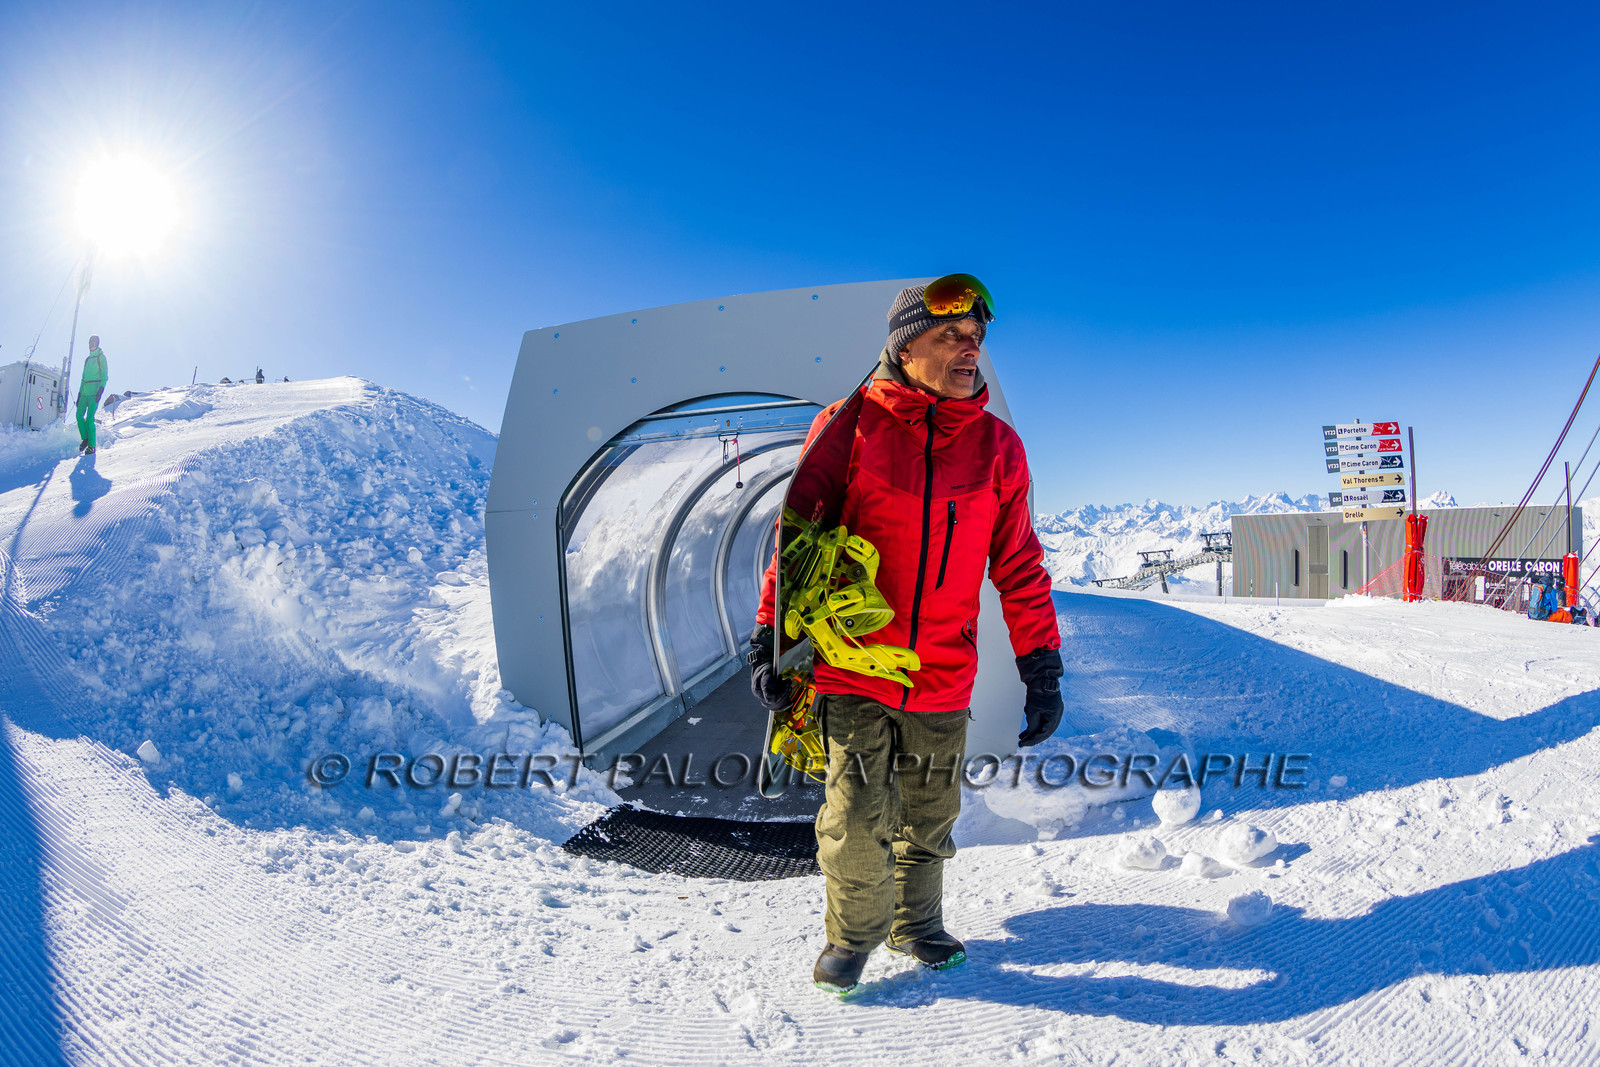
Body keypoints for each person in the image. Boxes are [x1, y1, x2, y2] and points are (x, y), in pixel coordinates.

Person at [748, 275, 1063, 994]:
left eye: (976, 339)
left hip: (943, 673)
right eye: (951, 336)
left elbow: (1018, 563)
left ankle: (914, 923)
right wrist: (770, 634)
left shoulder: (997, 449)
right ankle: (851, 936)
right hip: (853, 666)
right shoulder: (849, 423)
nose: (969, 351)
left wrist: (1042, 665)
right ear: (905, 344)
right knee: (856, 814)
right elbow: (797, 535)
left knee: (929, 813)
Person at [76, 335, 108, 454]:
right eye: (90, 342)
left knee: (89, 419)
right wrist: (79, 394)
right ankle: (85, 439)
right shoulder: (87, 360)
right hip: (84, 392)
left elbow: (105, 376)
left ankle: (92, 446)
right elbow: (83, 378)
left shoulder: (101, 357)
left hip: (94, 393)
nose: (92, 344)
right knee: (79, 416)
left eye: (94, 342)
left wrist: (100, 390)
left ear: (98, 343)